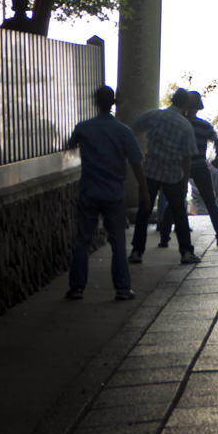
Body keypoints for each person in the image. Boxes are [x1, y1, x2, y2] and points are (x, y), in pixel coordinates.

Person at [65, 85, 150, 301]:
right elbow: (135, 162)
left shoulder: (83, 127)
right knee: (117, 242)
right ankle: (122, 288)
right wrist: (144, 188)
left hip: (88, 191)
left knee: (82, 240)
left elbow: (68, 146)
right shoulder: (123, 131)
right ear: (114, 104)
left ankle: (76, 288)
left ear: (95, 102)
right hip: (113, 193)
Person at [129, 89, 200, 265]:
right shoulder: (185, 126)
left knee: (143, 213)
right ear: (184, 105)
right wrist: (184, 181)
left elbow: (133, 128)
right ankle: (185, 252)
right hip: (173, 175)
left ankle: (137, 251)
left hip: (150, 173)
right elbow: (187, 156)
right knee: (179, 213)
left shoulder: (153, 116)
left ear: (171, 100)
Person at [184, 90, 218, 246]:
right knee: (210, 202)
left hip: (183, 166)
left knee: (176, 199)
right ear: (198, 108)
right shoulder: (204, 126)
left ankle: (164, 236)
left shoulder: (181, 124)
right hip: (201, 166)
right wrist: (216, 163)